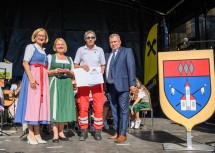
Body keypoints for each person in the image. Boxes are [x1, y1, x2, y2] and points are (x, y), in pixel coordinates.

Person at [14, 28, 50, 145]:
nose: (41, 37)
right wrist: (31, 78)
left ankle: (37, 134)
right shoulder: (31, 47)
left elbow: (44, 68)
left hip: (42, 79)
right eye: (39, 35)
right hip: (33, 77)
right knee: (32, 106)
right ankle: (30, 134)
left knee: (39, 106)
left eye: (43, 36)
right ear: (35, 37)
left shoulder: (43, 51)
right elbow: (25, 62)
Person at [74, 30, 106, 141]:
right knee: (83, 106)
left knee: (99, 105)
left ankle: (98, 131)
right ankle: (84, 131)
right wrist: (82, 67)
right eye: (88, 37)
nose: (90, 39)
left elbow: (103, 65)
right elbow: (75, 65)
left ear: (95, 38)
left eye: (92, 37)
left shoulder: (100, 50)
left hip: (96, 81)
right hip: (84, 81)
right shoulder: (80, 50)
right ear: (85, 39)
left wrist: (101, 70)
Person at [105, 34, 136, 143]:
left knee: (123, 110)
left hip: (123, 86)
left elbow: (131, 67)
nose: (113, 44)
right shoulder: (107, 54)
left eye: (115, 41)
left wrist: (132, 84)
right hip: (110, 87)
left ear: (120, 42)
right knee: (114, 110)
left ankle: (123, 134)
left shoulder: (127, 51)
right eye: (111, 42)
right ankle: (117, 132)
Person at [47, 38, 77, 143]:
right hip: (55, 83)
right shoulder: (50, 57)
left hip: (66, 84)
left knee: (64, 107)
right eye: (58, 44)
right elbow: (45, 72)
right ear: (55, 46)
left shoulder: (69, 58)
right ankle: (55, 133)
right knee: (55, 107)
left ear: (65, 46)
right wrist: (54, 71)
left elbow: (74, 73)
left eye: (62, 44)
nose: (60, 46)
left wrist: (69, 72)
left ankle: (61, 132)